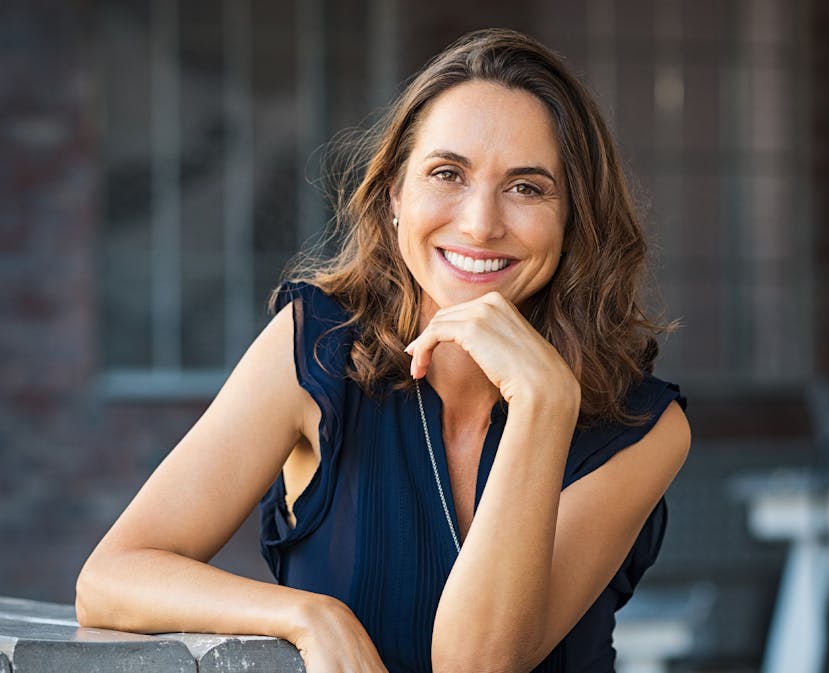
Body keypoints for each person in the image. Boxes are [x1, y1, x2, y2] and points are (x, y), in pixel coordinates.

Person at [76, 28, 690, 673]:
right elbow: (112, 577)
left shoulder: (644, 427)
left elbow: (476, 665)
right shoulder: (315, 346)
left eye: (527, 188)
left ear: (574, 218)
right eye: (447, 174)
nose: (480, 224)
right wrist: (310, 616)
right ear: (396, 195)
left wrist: (544, 404)